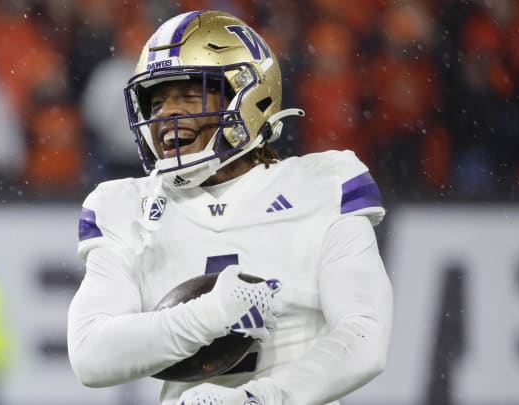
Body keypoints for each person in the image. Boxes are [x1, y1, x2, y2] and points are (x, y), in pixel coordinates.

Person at [67, 10, 393, 405]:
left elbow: (363, 337)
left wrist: (258, 399)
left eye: (190, 95)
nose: (167, 113)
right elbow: (90, 356)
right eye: (157, 101)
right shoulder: (127, 207)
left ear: (251, 97)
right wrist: (212, 313)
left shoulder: (323, 185)